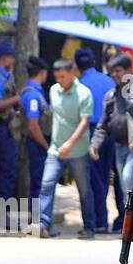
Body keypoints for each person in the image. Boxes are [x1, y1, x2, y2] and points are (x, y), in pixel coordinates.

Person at [90, 53, 133, 231]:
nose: (115, 75)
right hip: (119, 146)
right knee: (126, 187)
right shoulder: (111, 95)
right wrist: (95, 144)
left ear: (129, 70)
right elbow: (103, 124)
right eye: (112, 72)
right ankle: (132, 227)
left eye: (118, 71)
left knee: (127, 182)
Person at [38, 59, 96, 238]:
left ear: (73, 72)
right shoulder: (54, 90)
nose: (60, 80)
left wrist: (69, 144)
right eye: (57, 77)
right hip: (55, 150)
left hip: (78, 151)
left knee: (84, 190)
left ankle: (89, 228)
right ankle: (43, 224)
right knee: (46, 184)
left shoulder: (84, 93)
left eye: (63, 76)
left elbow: (84, 122)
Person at [75, 47, 114, 233]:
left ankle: (100, 220)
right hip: (112, 132)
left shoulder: (79, 85)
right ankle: (123, 220)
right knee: (114, 177)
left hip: (91, 132)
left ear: (76, 66)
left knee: (95, 179)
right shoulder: (108, 80)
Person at [20, 56, 50, 227]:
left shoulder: (34, 91)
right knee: (39, 182)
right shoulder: (32, 95)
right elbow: (33, 126)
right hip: (37, 144)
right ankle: (37, 222)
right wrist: (46, 146)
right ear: (42, 73)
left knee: (38, 181)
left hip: (37, 144)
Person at [0, 39, 21, 201]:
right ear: (4, 58)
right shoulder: (0, 78)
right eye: (11, 57)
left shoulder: (6, 76)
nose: (13, 60)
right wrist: (16, 99)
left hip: (4, 127)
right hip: (1, 127)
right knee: (8, 170)